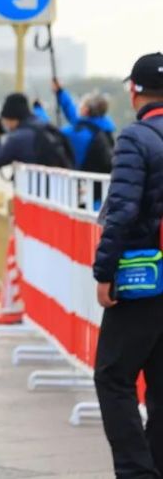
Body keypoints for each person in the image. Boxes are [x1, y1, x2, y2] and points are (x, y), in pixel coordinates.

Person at [92, 52, 163, 478]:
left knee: (113, 378)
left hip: (144, 280)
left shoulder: (136, 138)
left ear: (135, 91)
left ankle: (137, 472)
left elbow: (121, 211)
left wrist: (105, 273)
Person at [0, 92, 73, 169]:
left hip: (37, 185)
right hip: (60, 183)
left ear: (10, 117)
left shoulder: (17, 138)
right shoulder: (45, 125)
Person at [47, 80, 116, 173]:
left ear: (85, 110)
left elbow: (49, 132)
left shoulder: (76, 132)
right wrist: (60, 92)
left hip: (81, 183)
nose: (78, 106)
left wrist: (38, 112)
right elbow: (72, 112)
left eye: (81, 104)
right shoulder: (104, 127)